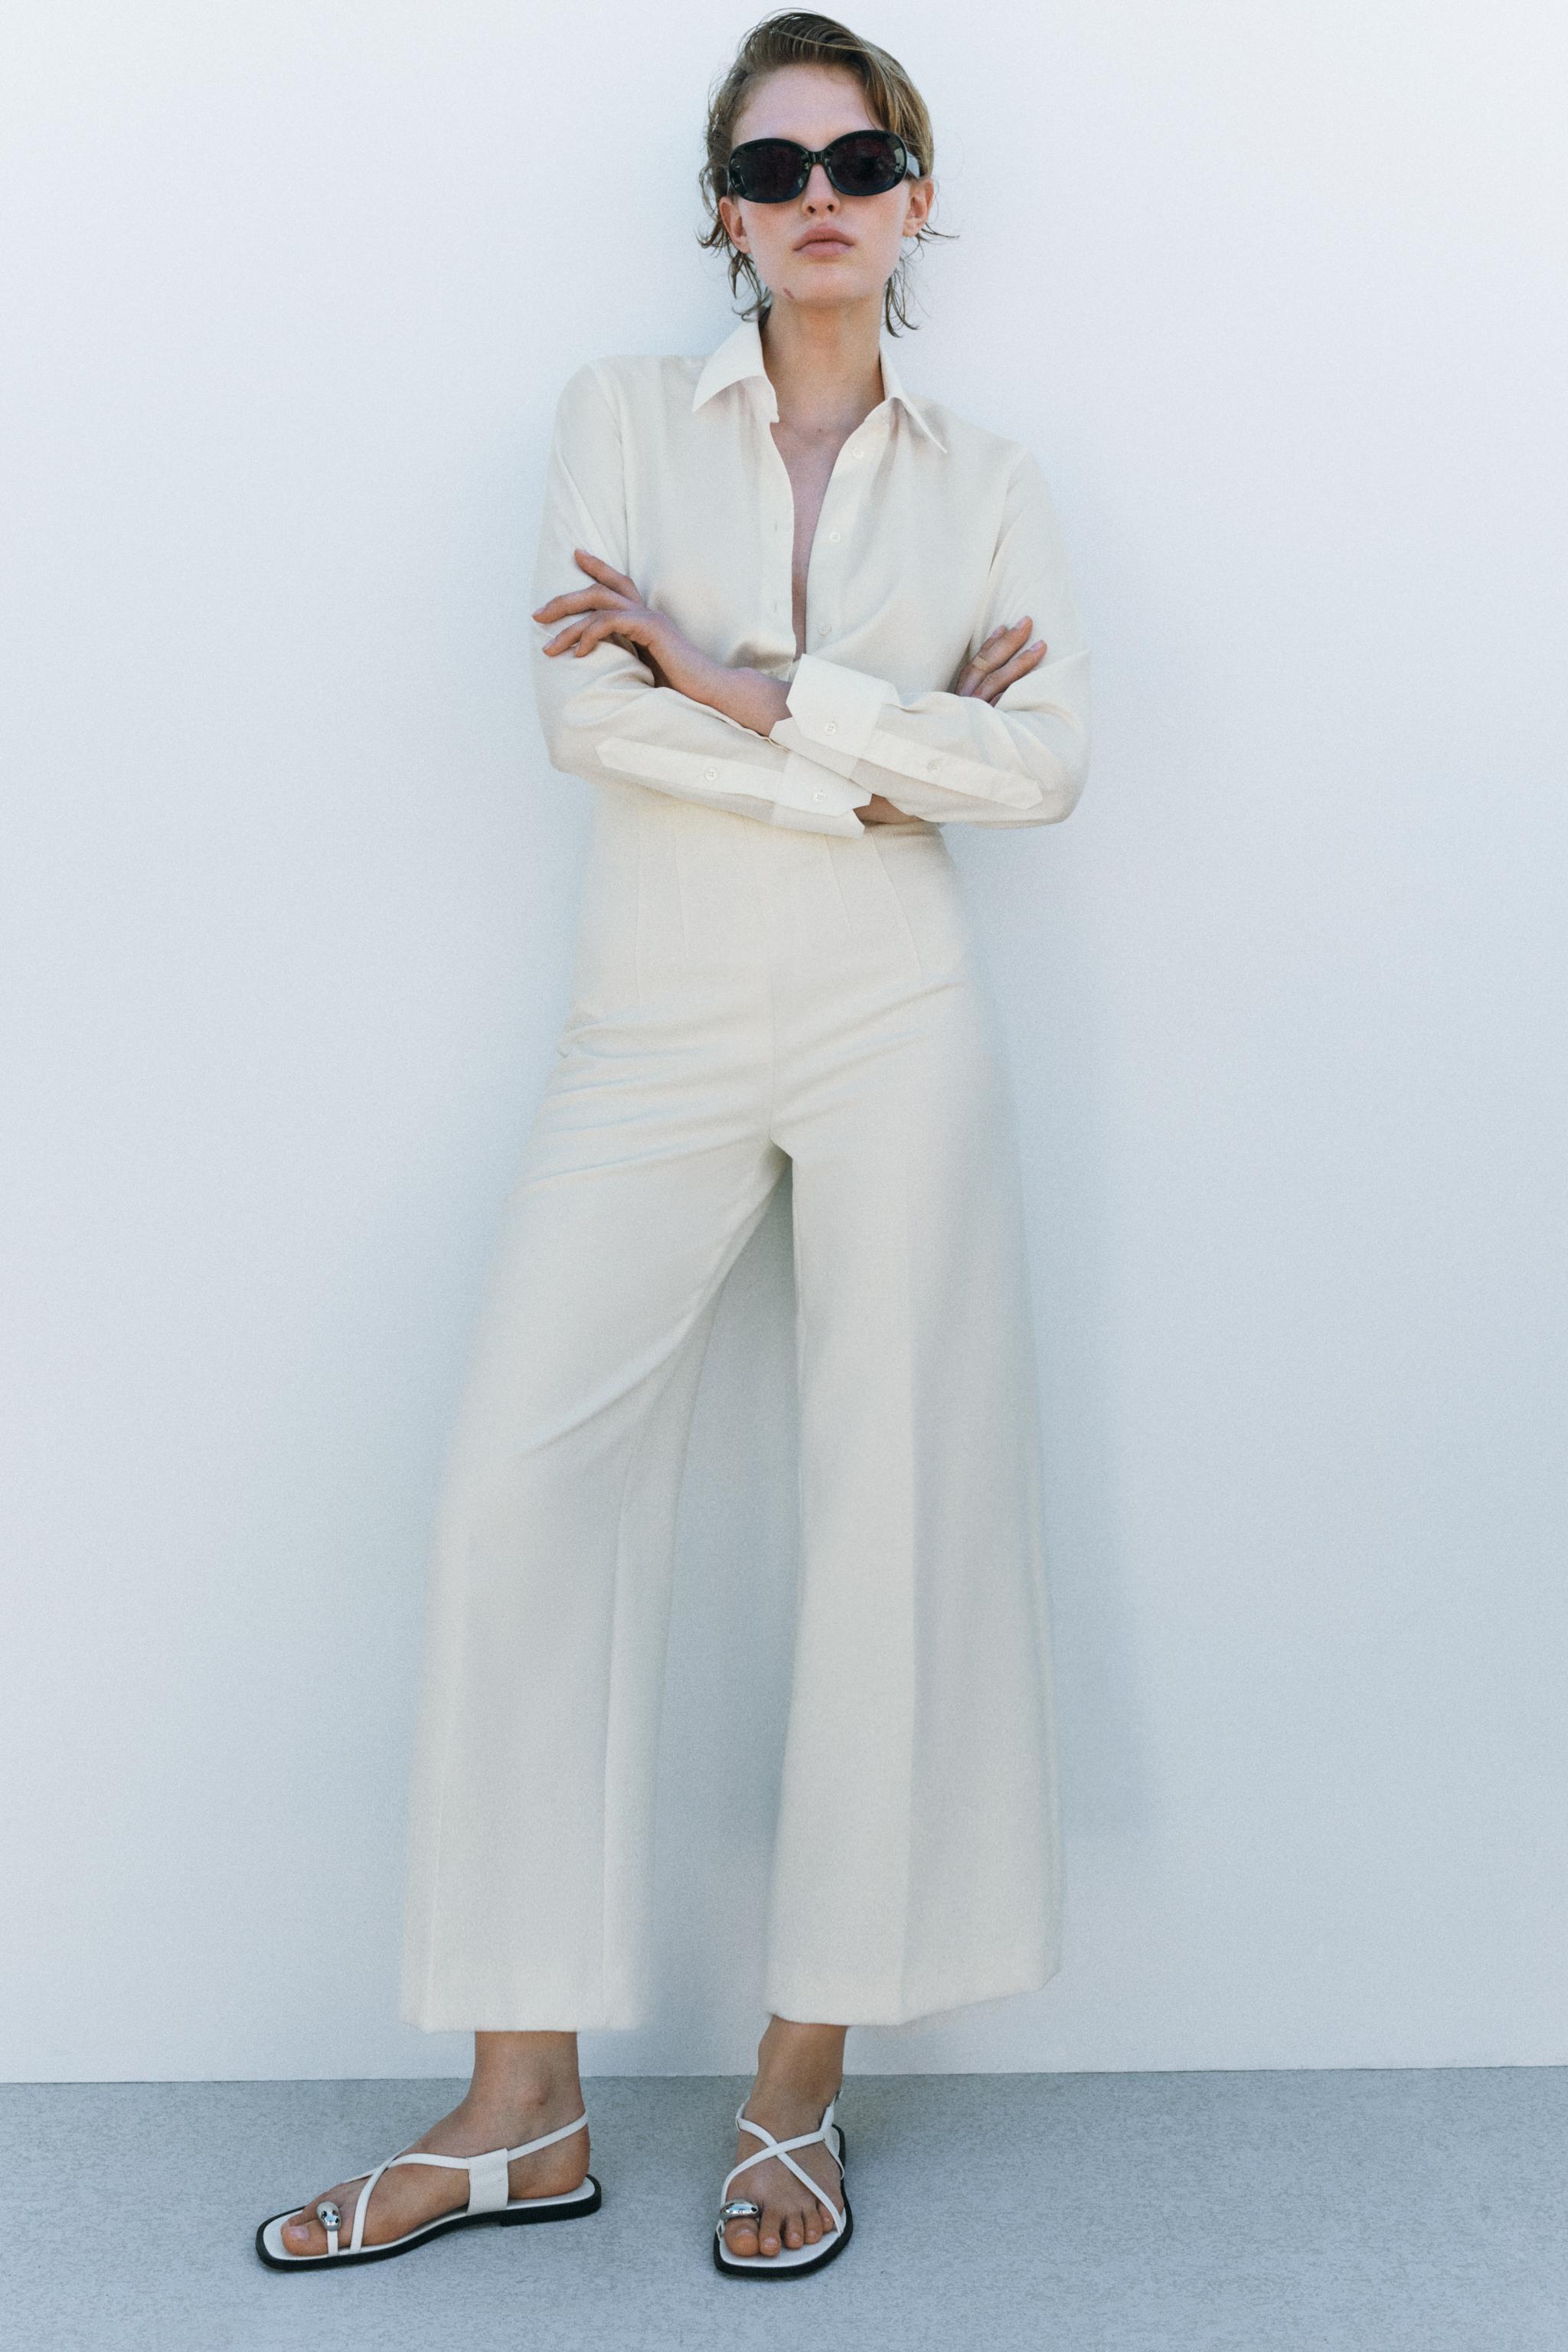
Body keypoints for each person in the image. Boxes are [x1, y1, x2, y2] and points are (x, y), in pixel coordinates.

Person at [255, 7, 1090, 2281]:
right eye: (774, 165)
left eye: (859, 160)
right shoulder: (615, 419)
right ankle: (520, 2107)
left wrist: (731, 683)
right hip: (653, 1019)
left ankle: (797, 2088)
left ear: (918, 198)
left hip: (897, 1014)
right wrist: (876, 753)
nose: (820, 197)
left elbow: (1046, 772)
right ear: (722, 211)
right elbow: (578, 718)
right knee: (515, 1490)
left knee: (893, 1510)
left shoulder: (993, 476)